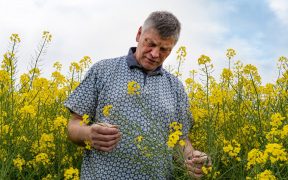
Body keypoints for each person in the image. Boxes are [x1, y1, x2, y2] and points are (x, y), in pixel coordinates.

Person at [64, 11, 211, 179]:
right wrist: (89, 134)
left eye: (164, 49)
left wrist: (193, 160)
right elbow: (74, 125)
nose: (155, 54)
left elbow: (180, 140)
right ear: (139, 34)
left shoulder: (175, 87)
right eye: (151, 44)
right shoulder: (102, 70)